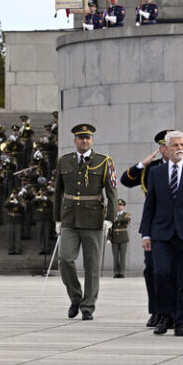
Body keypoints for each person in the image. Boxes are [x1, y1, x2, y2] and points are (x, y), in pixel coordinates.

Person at [141, 130, 183, 337]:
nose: (179, 148)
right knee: (161, 274)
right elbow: (149, 206)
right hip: (161, 234)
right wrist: (146, 234)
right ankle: (164, 316)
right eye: (175, 145)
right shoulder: (155, 173)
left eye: (182, 145)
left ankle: (180, 321)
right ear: (167, 149)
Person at [54, 123, 117, 321]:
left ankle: (88, 306)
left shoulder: (104, 161)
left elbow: (112, 193)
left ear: (92, 140)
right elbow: (58, 193)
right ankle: (75, 297)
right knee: (65, 259)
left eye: (87, 138)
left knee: (92, 266)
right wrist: (57, 219)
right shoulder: (64, 161)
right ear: (75, 140)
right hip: (70, 219)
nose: (84, 141)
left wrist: (110, 219)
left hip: (94, 219)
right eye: (81, 138)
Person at [120, 129, 172, 326]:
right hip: (155, 224)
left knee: (171, 271)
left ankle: (171, 312)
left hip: (176, 225)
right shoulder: (151, 168)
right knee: (152, 270)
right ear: (160, 148)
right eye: (164, 145)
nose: (167, 149)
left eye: (171, 144)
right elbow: (126, 181)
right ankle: (156, 310)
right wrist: (142, 164)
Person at [110, 198, 131, 278]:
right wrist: (109, 238)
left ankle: (121, 272)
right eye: (118, 205)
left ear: (124, 206)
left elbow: (126, 220)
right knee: (115, 256)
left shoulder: (126, 214)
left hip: (123, 237)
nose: (119, 207)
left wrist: (117, 219)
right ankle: (116, 272)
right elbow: (110, 225)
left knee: (122, 255)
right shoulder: (113, 214)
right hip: (114, 236)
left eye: (121, 205)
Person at [5, 188, 25, 255]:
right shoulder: (9, 199)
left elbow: (23, 208)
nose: (14, 195)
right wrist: (10, 201)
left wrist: (17, 203)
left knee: (18, 236)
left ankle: (18, 249)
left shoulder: (21, 200)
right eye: (13, 193)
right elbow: (5, 206)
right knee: (10, 236)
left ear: (18, 194)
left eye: (16, 194)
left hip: (18, 219)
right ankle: (10, 249)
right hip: (10, 219)